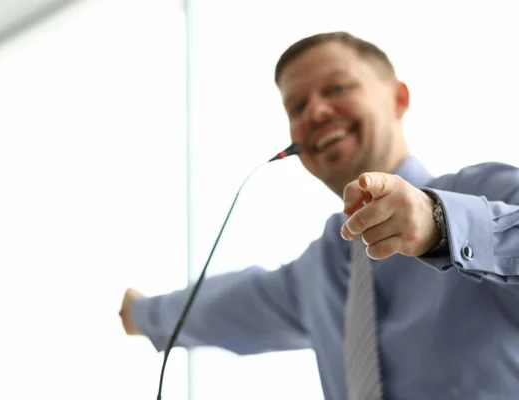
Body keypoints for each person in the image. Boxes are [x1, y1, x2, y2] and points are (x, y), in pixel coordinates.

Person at [118, 31, 519, 399]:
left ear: (398, 98)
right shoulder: (321, 271)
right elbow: (225, 306)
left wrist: (441, 224)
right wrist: (142, 313)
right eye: (297, 106)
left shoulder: (485, 191)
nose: (316, 111)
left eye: (337, 87)